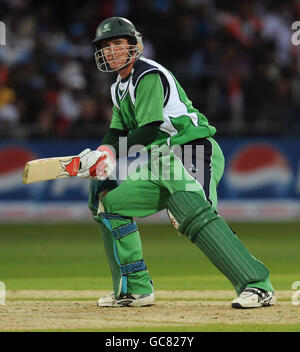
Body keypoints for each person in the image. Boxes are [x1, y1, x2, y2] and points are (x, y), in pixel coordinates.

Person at [78, 17, 276, 308]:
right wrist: (102, 151)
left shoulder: (147, 75)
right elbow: (118, 130)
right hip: (160, 162)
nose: (111, 51)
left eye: (118, 43)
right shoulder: (118, 88)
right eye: (106, 46)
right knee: (109, 203)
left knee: (192, 211)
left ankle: (258, 286)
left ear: (134, 45)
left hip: (191, 148)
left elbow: (148, 129)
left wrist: (110, 154)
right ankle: (135, 288)